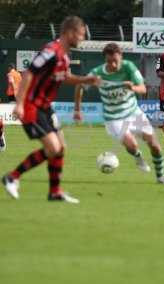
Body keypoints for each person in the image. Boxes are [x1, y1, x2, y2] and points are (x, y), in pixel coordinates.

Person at [2, 16, 101, 203]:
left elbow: (65, 77)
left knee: (60, 147)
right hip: (32, 106)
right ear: (69, 33)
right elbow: (30, 72)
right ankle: (12, 177)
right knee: (53, 147)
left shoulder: (64, 55)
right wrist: (20, 103)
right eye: (80, 35)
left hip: (46, 108)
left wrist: (85, 80)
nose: (82, 38)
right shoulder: (51, 51)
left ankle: (55, 192)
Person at [74, 43, 164, 186]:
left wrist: (132, 87)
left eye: (116, 60)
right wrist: (77, 110)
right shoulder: (97, 73)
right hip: (114, 118)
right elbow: (80, 85)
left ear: (121, 57)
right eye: (109, 61)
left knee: (155, 145)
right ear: (105, 60)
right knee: (132, 145)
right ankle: (138, 157)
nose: (113, 64)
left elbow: (143, 89)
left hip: (134, 113)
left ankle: (160, 176)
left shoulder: (129, 67)